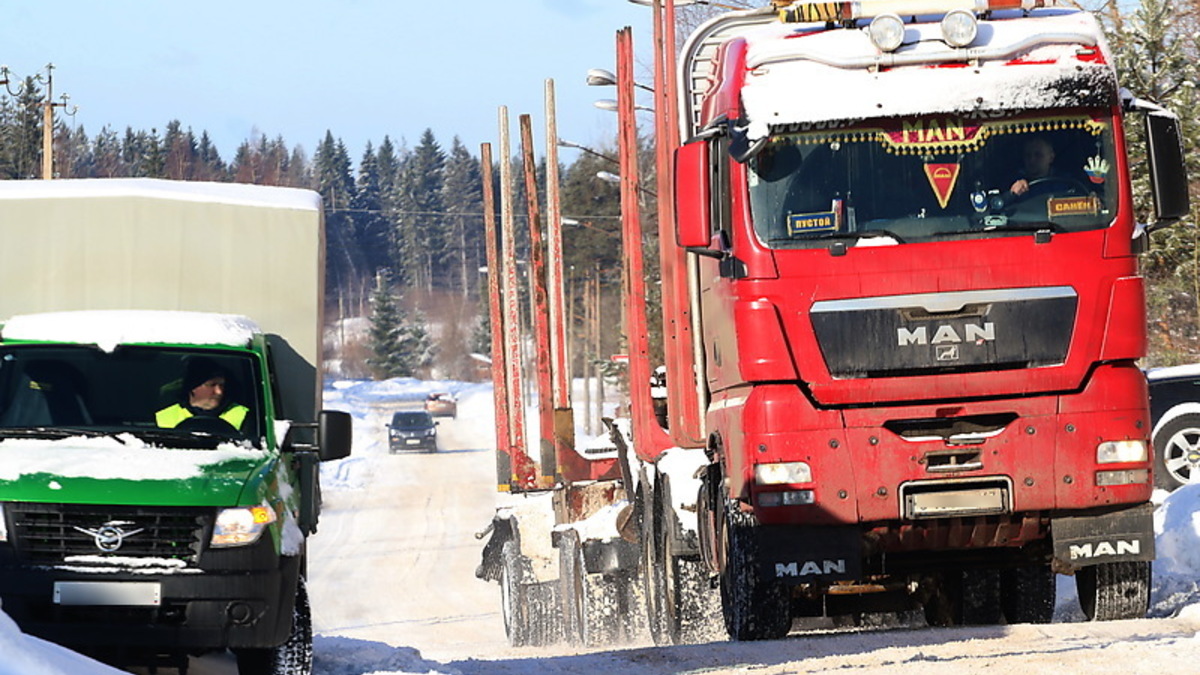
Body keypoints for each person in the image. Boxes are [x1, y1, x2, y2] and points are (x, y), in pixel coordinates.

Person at [155, 356, 249, 431]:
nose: (219, 392)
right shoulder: (163, 417)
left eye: (222, 385)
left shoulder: (243, 415)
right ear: (193, 387)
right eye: (212, 385)